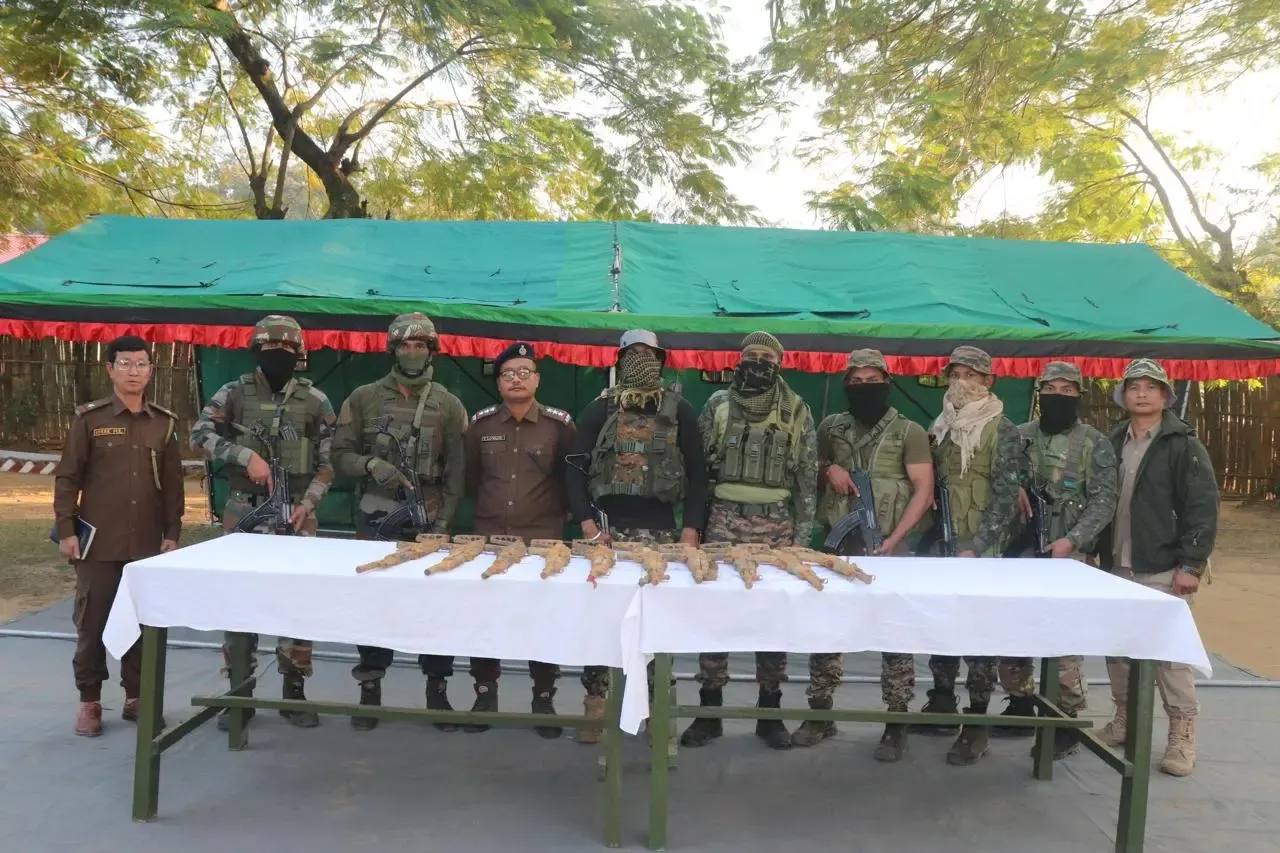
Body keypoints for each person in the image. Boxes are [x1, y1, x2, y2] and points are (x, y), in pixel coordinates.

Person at [190, 314, 336, 730]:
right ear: (256, 351)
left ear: (299, 356)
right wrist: (244, 456)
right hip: (245, 510)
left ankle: (294, 690)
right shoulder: (233, 393)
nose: (279, 358)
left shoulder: (316, 401)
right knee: (238, 601)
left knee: (298, 603)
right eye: (271, 350)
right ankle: (241, 691)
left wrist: (308, 503)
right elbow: (199, 433)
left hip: (296, 513)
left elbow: (327, 465)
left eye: (288, 352)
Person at [565, 329, 709, 744]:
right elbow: (574, 466)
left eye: (647, 353)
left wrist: (690, 530)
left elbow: (699, 475)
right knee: (601, 622)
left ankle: (657, 711)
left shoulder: (679, 409)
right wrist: (588, 526)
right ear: (619, 359)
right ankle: (597, 704)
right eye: (632, 353)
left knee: (657, 625)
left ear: (661, 360)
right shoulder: (600, 408)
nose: (639, 360)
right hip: (608, 532)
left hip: (661, 533)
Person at [680, 331, 819, 751]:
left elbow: (807, 476)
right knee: (716, 618)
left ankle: (769, 713)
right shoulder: (718, 405)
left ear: (779, 363)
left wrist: (802, 534)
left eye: (765, 356)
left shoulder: (796, 409)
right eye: (749, 355)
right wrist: (695, 528)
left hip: (775, 526)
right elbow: (698, 471)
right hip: (723, 523)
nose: (756, 361)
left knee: (772, 620)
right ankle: (709, 711)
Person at [330, 313, 467, 731]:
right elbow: (339, 455)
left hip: (429, 513)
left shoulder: (447, 403)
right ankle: (370, 689)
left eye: (420, 346)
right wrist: (371, 463)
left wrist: (443, 522)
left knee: (435, 602)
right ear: (394, 350)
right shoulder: (364, 397)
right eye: (405, 346)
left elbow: (457, 471)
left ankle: (437, 690)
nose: (412, 353)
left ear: (431, 351)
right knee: (374, 601)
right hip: (376, 512)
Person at [53, 336, 185, 737]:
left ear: (150, 370)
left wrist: (172, 534)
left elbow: (174, 486)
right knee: (92, 621)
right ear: (110, 368)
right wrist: (66, 530)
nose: (134, 372)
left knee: (142, 621)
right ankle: (89, 700)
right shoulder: (88, 420)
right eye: (125, 364)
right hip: (98, 542)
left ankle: (137, 696)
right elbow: (67, 477)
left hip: (146, 543)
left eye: (141, 364)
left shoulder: (163, 424)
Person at [1094, 358, 1218, 777]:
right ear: (1123, 395)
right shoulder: (1112, 442)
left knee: (1171, 655)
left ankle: (1181, 736)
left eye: (1151, 387)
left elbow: (1202, 508)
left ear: (1165, 395)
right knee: (1120, 651)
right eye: (1134, 387)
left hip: (1164, 565)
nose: (1142, 393)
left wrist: (1192, 564)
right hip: (1118, 564)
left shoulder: (1183, 445)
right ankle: (1125, 720)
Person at [808, 348, 934, 760]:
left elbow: (923, 490)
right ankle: (819, 713)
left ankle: (896, 722)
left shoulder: (908, 430)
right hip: (840, 548)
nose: (864, 387)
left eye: (872, 380)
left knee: (896, 636)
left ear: (887, 381)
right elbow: (812, 464)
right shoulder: (831, 426)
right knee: (826, 631)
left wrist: (896, 539)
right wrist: (830, 469)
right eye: (856, 381)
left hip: (889, 550)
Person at [993, 361, 1117, 758]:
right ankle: (1020, 700)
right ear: (1039, 391)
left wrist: (1074, 539)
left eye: (1067, 390)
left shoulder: (1094, 442)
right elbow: (996, 478)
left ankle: (1067, 718)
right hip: (1020, 549)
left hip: (1067, 555)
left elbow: (1104, 500)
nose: (1058, 396)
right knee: (1010, 632)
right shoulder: (1019, 435)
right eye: (1051, 388)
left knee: (1063, 642)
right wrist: (1012, 491)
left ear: (1079, 395)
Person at [461, 341, 576, 738]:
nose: (516, 379)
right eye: (508, 373)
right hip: (489, 539)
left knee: (541, 621)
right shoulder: (480, 425)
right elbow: (472, 481)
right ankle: (484, 692)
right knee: (484, 618)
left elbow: (569, 483)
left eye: (524, 372)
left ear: (538, 379)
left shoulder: (560, 426)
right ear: (498, 381)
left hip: (541, 542)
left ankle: (543, 697)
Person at [914, 345, 1021, 766]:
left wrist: (978, 546)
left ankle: (976, 724)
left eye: (972, 375)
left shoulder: (1001, 428)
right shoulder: (940, 426)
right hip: (943, 542)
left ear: (988, 382)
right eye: (956, 374)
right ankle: (941, 703)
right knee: (942, 628)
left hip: (982, 547)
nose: (962, 382)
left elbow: (1006, 496)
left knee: (979, 638)